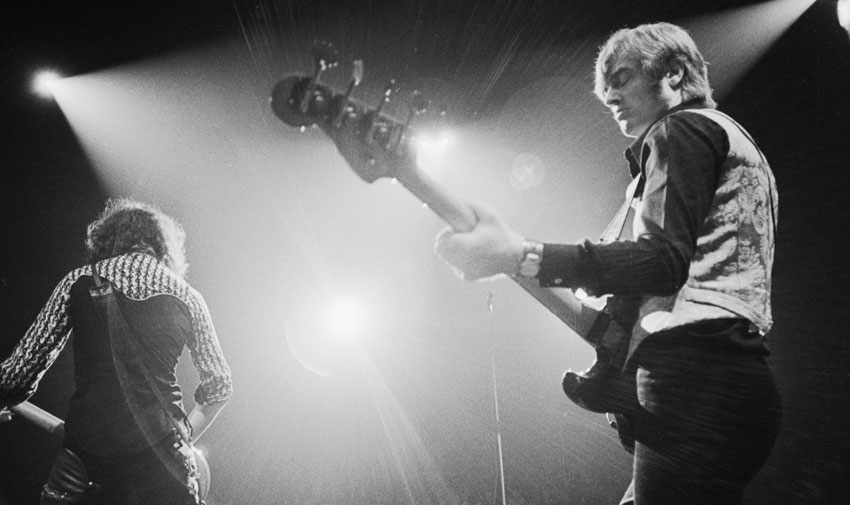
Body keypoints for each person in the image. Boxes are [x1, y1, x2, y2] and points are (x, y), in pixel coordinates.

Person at [434, 22, 781, 504]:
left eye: (620, 78)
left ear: (675, 74)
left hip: (692, 380)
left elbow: (662, 261)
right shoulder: (735, 149)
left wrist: (526, 254)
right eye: (604, 90)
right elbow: (634, 320)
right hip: (731, 387)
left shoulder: (679, 130)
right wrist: (517, 260)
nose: (609, 97)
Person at [1, 198, 233, 504]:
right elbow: (220, 386)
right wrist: (184, 438)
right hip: (163, 460)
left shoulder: (78, 280)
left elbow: (19, 372)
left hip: (85, 460)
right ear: (163, 246)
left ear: (107, 239)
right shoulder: (188, 296)